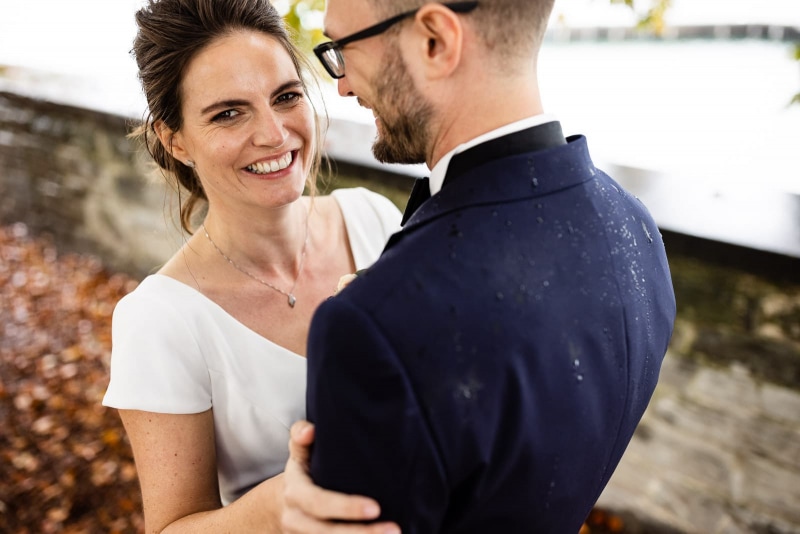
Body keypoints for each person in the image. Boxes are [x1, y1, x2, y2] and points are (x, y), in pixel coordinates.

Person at [282, 0, 677, 532]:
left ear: (435, 42)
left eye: (343, 49)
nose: (343, 86)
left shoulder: (371, 327)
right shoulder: (633, 224)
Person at [101, 0, 403, 532]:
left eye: (286, 97)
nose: (274, 134)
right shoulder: (159, 319)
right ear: (175, 141)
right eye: (228, 113)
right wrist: (275, 508)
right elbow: (171, 527)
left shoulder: (374, 220)